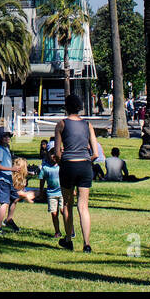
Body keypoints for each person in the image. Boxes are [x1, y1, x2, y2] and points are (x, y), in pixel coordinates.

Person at [53, 94, 99, 252]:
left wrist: (61, 162)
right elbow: (96, 153)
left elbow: (58, 153)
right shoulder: (88, 125)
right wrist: (87, 160)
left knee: (67, 204)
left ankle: (68, 239)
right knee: (83, 206)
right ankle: (87, 244)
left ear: (66, 107)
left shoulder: (61, 124)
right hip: (85, 166)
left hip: (68, 165)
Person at [0, 129, 18, 235]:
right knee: (5, 203)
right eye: (5, 137)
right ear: (0, 139)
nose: (8, 138)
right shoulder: (0, 150)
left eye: (9, 136)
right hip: (2, 180)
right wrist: (12, 169)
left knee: (15, 198)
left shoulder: (6, 149)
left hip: (8, 179)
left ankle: (9, 219)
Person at [39, 146, 64, 237]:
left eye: (55, 153)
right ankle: (57, 231)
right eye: (51, 153)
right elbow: (42, 180)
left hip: (62, 192)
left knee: (63, 211)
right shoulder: (45, 167)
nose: (53, 155)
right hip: (51, 193)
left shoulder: (62, 166)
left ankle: (69, 229)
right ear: (48, 154)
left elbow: (69, 178)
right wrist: (41, 192)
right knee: (54, 213)